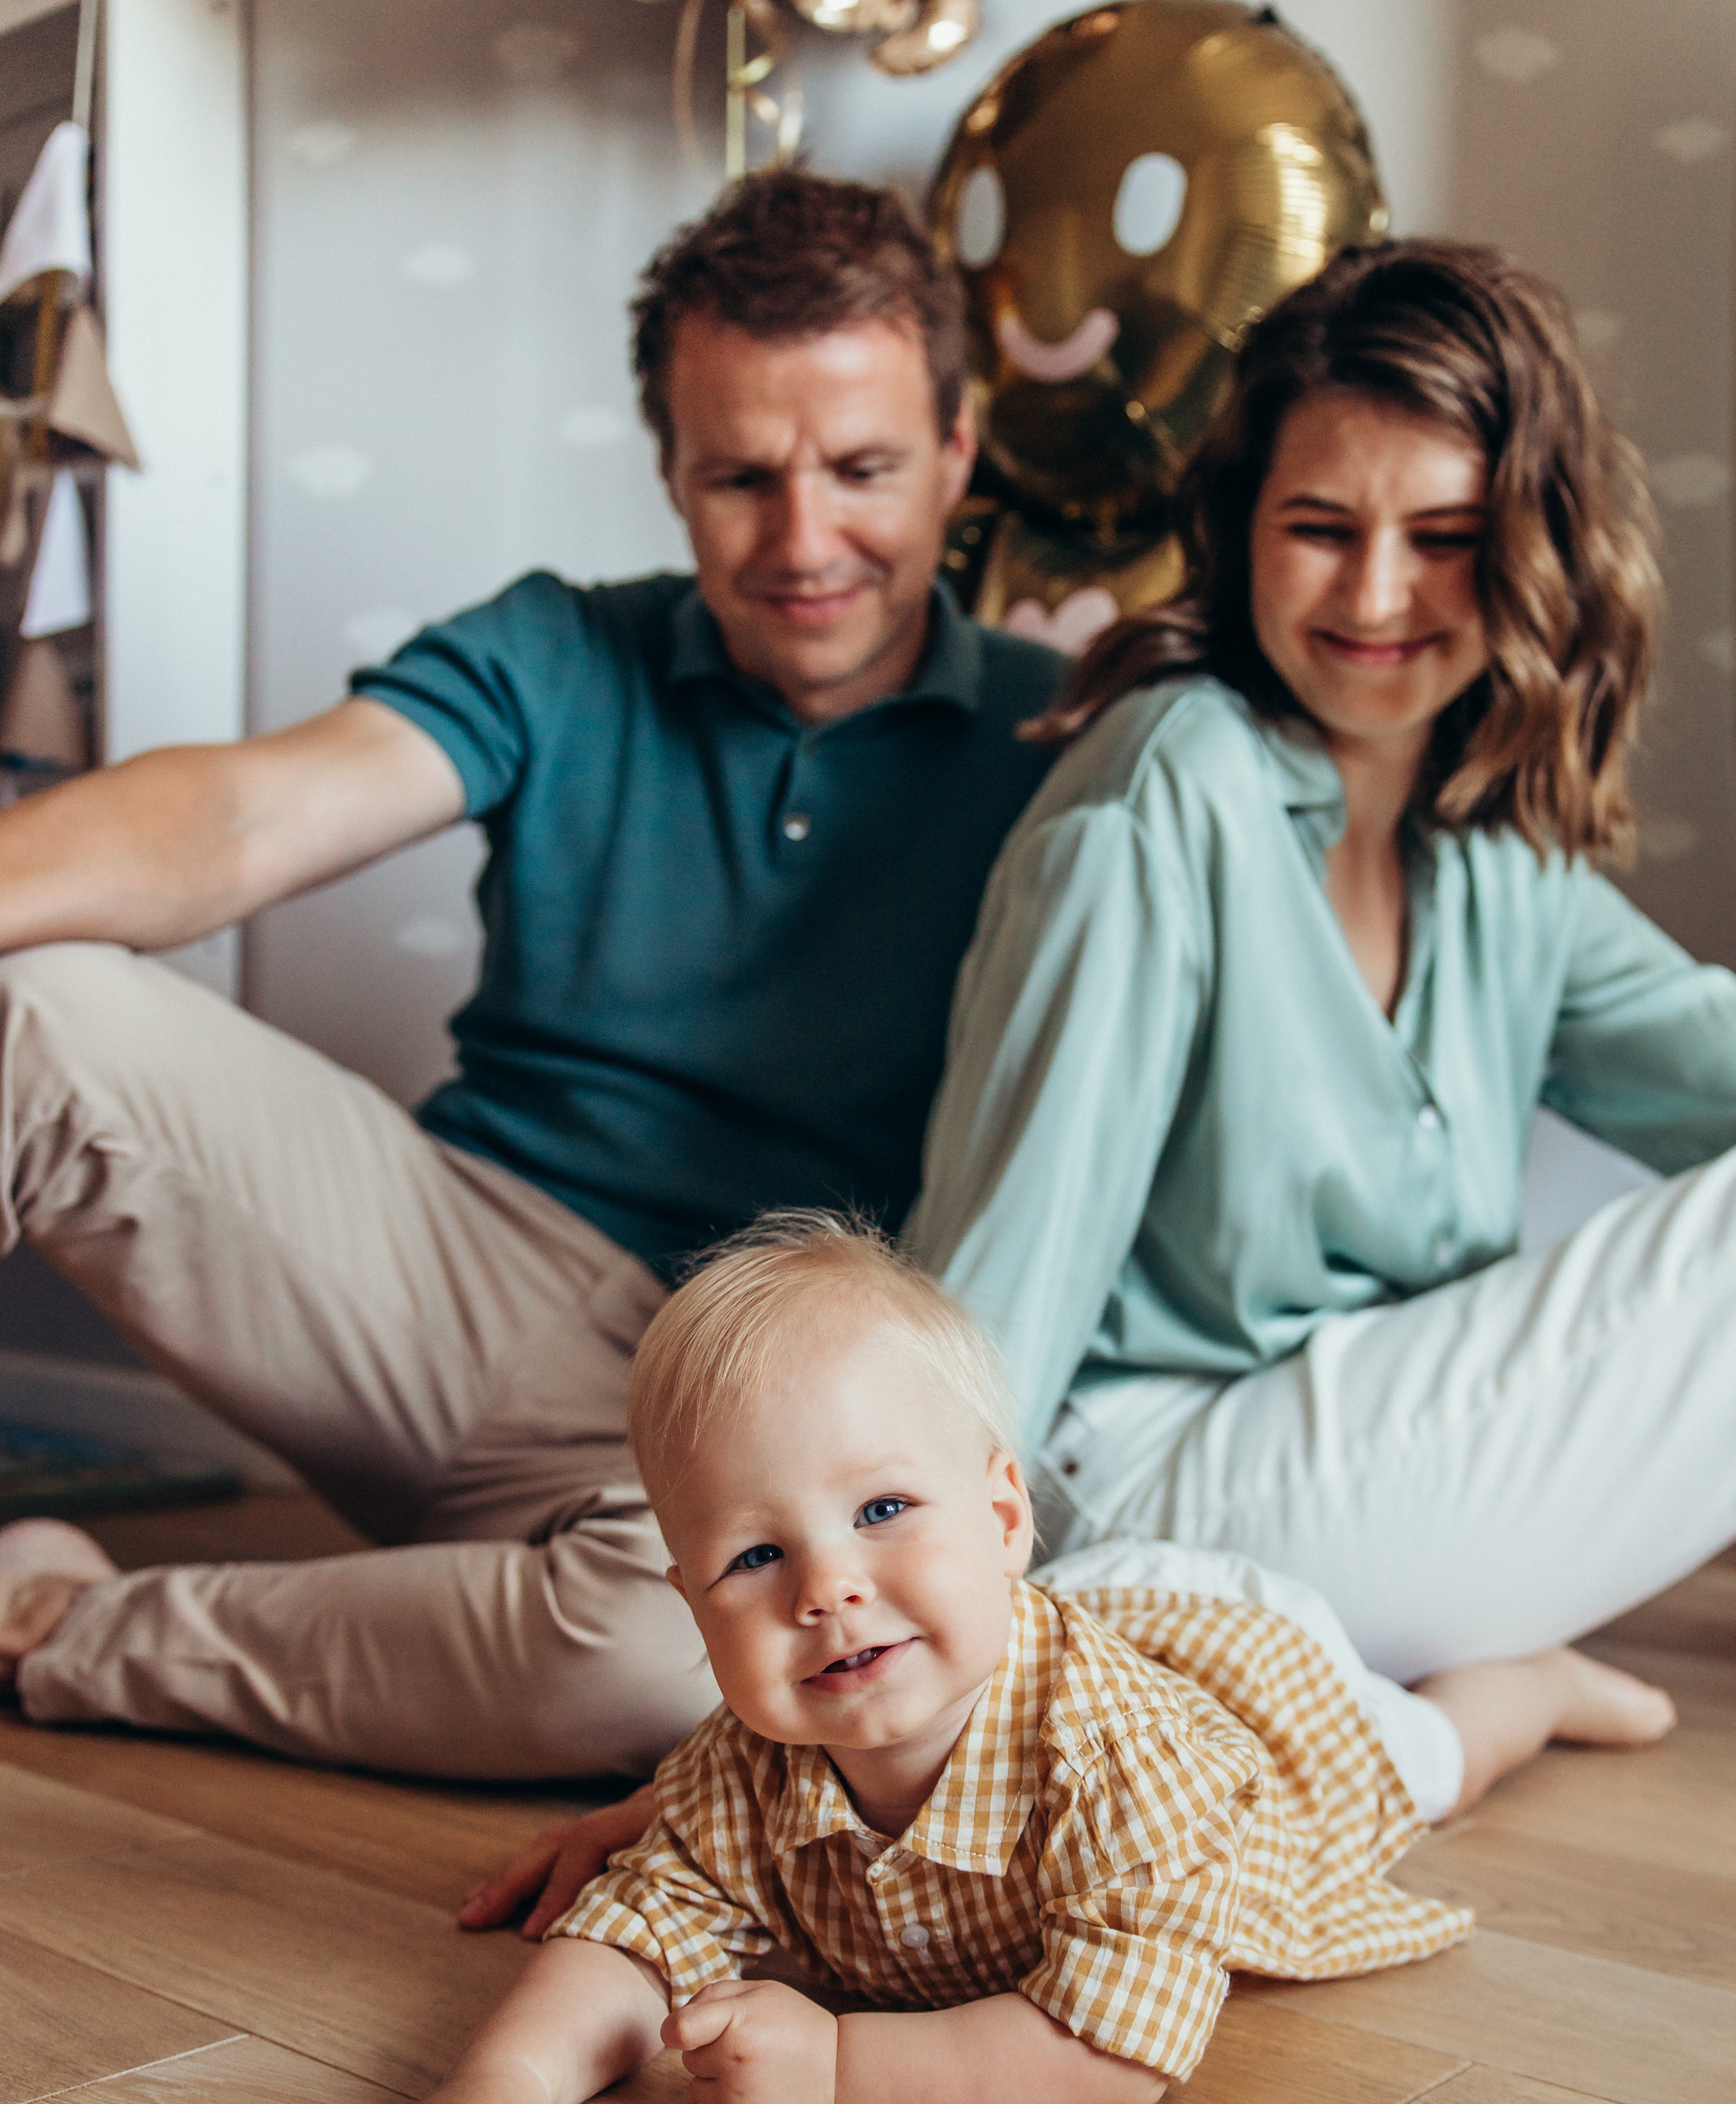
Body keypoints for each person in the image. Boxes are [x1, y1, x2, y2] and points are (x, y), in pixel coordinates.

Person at [0, 174, 1066, 1887]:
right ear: (670, 473)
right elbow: (239, 820)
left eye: (860, 470)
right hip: (448, 1278)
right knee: (32, 1003)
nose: (802, 540)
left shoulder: (1062, 740)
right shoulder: (560, 649)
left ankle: (66, 1626)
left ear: (956, 451)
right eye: (741, 477)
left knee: (675, 1658)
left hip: (765, 1377)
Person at [908, 237, 1736, 1717]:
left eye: (1444, 534)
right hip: (1148, 1487)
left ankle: (1454, 1689)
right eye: (1319, 526)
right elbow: (1000, 1274)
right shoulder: (1165, 793)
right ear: (1241, 530)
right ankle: (1460, 1695)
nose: (1375, 590)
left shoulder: (1494, 841)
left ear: (1531, 547)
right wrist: (906, 1627)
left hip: (1366, 1470)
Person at [276, 1214, 1498, 2104]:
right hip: (1038, 1613)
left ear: (1004, 1516)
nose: (827, 1589)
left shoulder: (1129, 1766)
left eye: (882, 1509)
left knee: (1434, 1760)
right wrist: (507, 2078)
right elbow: (637, 1938)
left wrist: (840, 2074)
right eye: (756, 1557)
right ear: (693, 1607)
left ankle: (1534, 1692)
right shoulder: (749, 1756)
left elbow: (1115, 2047)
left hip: (1255, 1680)